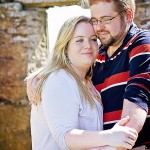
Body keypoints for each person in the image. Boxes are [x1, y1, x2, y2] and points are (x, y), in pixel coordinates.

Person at [26, 16, 138, 150]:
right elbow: (65, 137)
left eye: (93, 39)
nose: (88, 45)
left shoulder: (90, 80)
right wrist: (111, 136)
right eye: (79, 40)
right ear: (65, 47)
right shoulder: (60, 79)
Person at [80, 0, 150, 149]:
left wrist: (120, 142)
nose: (99, 28)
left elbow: (137, 98)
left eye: (106, 19)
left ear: (128, 16)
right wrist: (40, 76)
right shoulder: (96, 55)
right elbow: (67, 72)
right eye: (94, 20)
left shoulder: (142, 43)